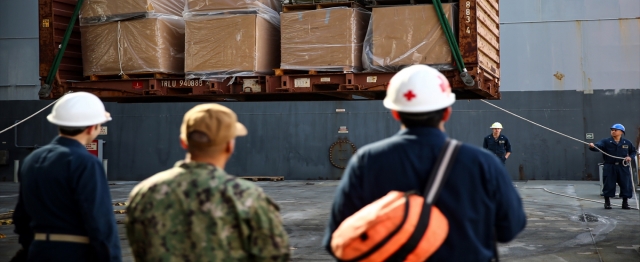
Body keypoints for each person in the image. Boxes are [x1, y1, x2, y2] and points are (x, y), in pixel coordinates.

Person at [323, 65, 526, 261]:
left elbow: (337, 239)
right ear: (447, 112)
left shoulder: (366, 161)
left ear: (395, 112)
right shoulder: (483, 163)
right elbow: (510, 227)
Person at [125, 104, 290, 261]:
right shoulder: (248, 197)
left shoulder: (144, 194)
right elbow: (275, 255)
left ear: (183, 142)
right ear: (229, 146)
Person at [12, 92, 121, 262]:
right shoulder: (86, 163)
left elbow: (21, 217)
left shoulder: (31, 160)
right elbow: (100, 223)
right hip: (75, 254)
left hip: (37, 252)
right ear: (92, 127)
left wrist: (33, 247)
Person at [589, 124, 637, 209]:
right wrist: (592, 146)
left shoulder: (627, 143)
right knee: (608, 184)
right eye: (612, 130)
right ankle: (607, 202)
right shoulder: (606, 142)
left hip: (623, 166)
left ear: (621, 132)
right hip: (610, 166)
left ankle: (625, 203)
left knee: (625, 184)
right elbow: (597, 146)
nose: (613, 131)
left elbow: (633, 152)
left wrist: (630, 157)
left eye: (615, 130)